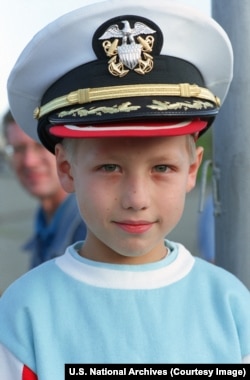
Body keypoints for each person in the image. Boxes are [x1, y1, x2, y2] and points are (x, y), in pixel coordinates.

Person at [0, 0, 250, 376]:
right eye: (109, 167)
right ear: (66, 169)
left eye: (162, 167)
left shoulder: (231, 305)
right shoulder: (25, 313)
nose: (136, 199)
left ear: (192, 170)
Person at [2, 109, 87, 268]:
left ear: (65, 152)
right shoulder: (44, 221)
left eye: (40, 145)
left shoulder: (89, 232)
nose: (29, 161)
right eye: (18, 149)